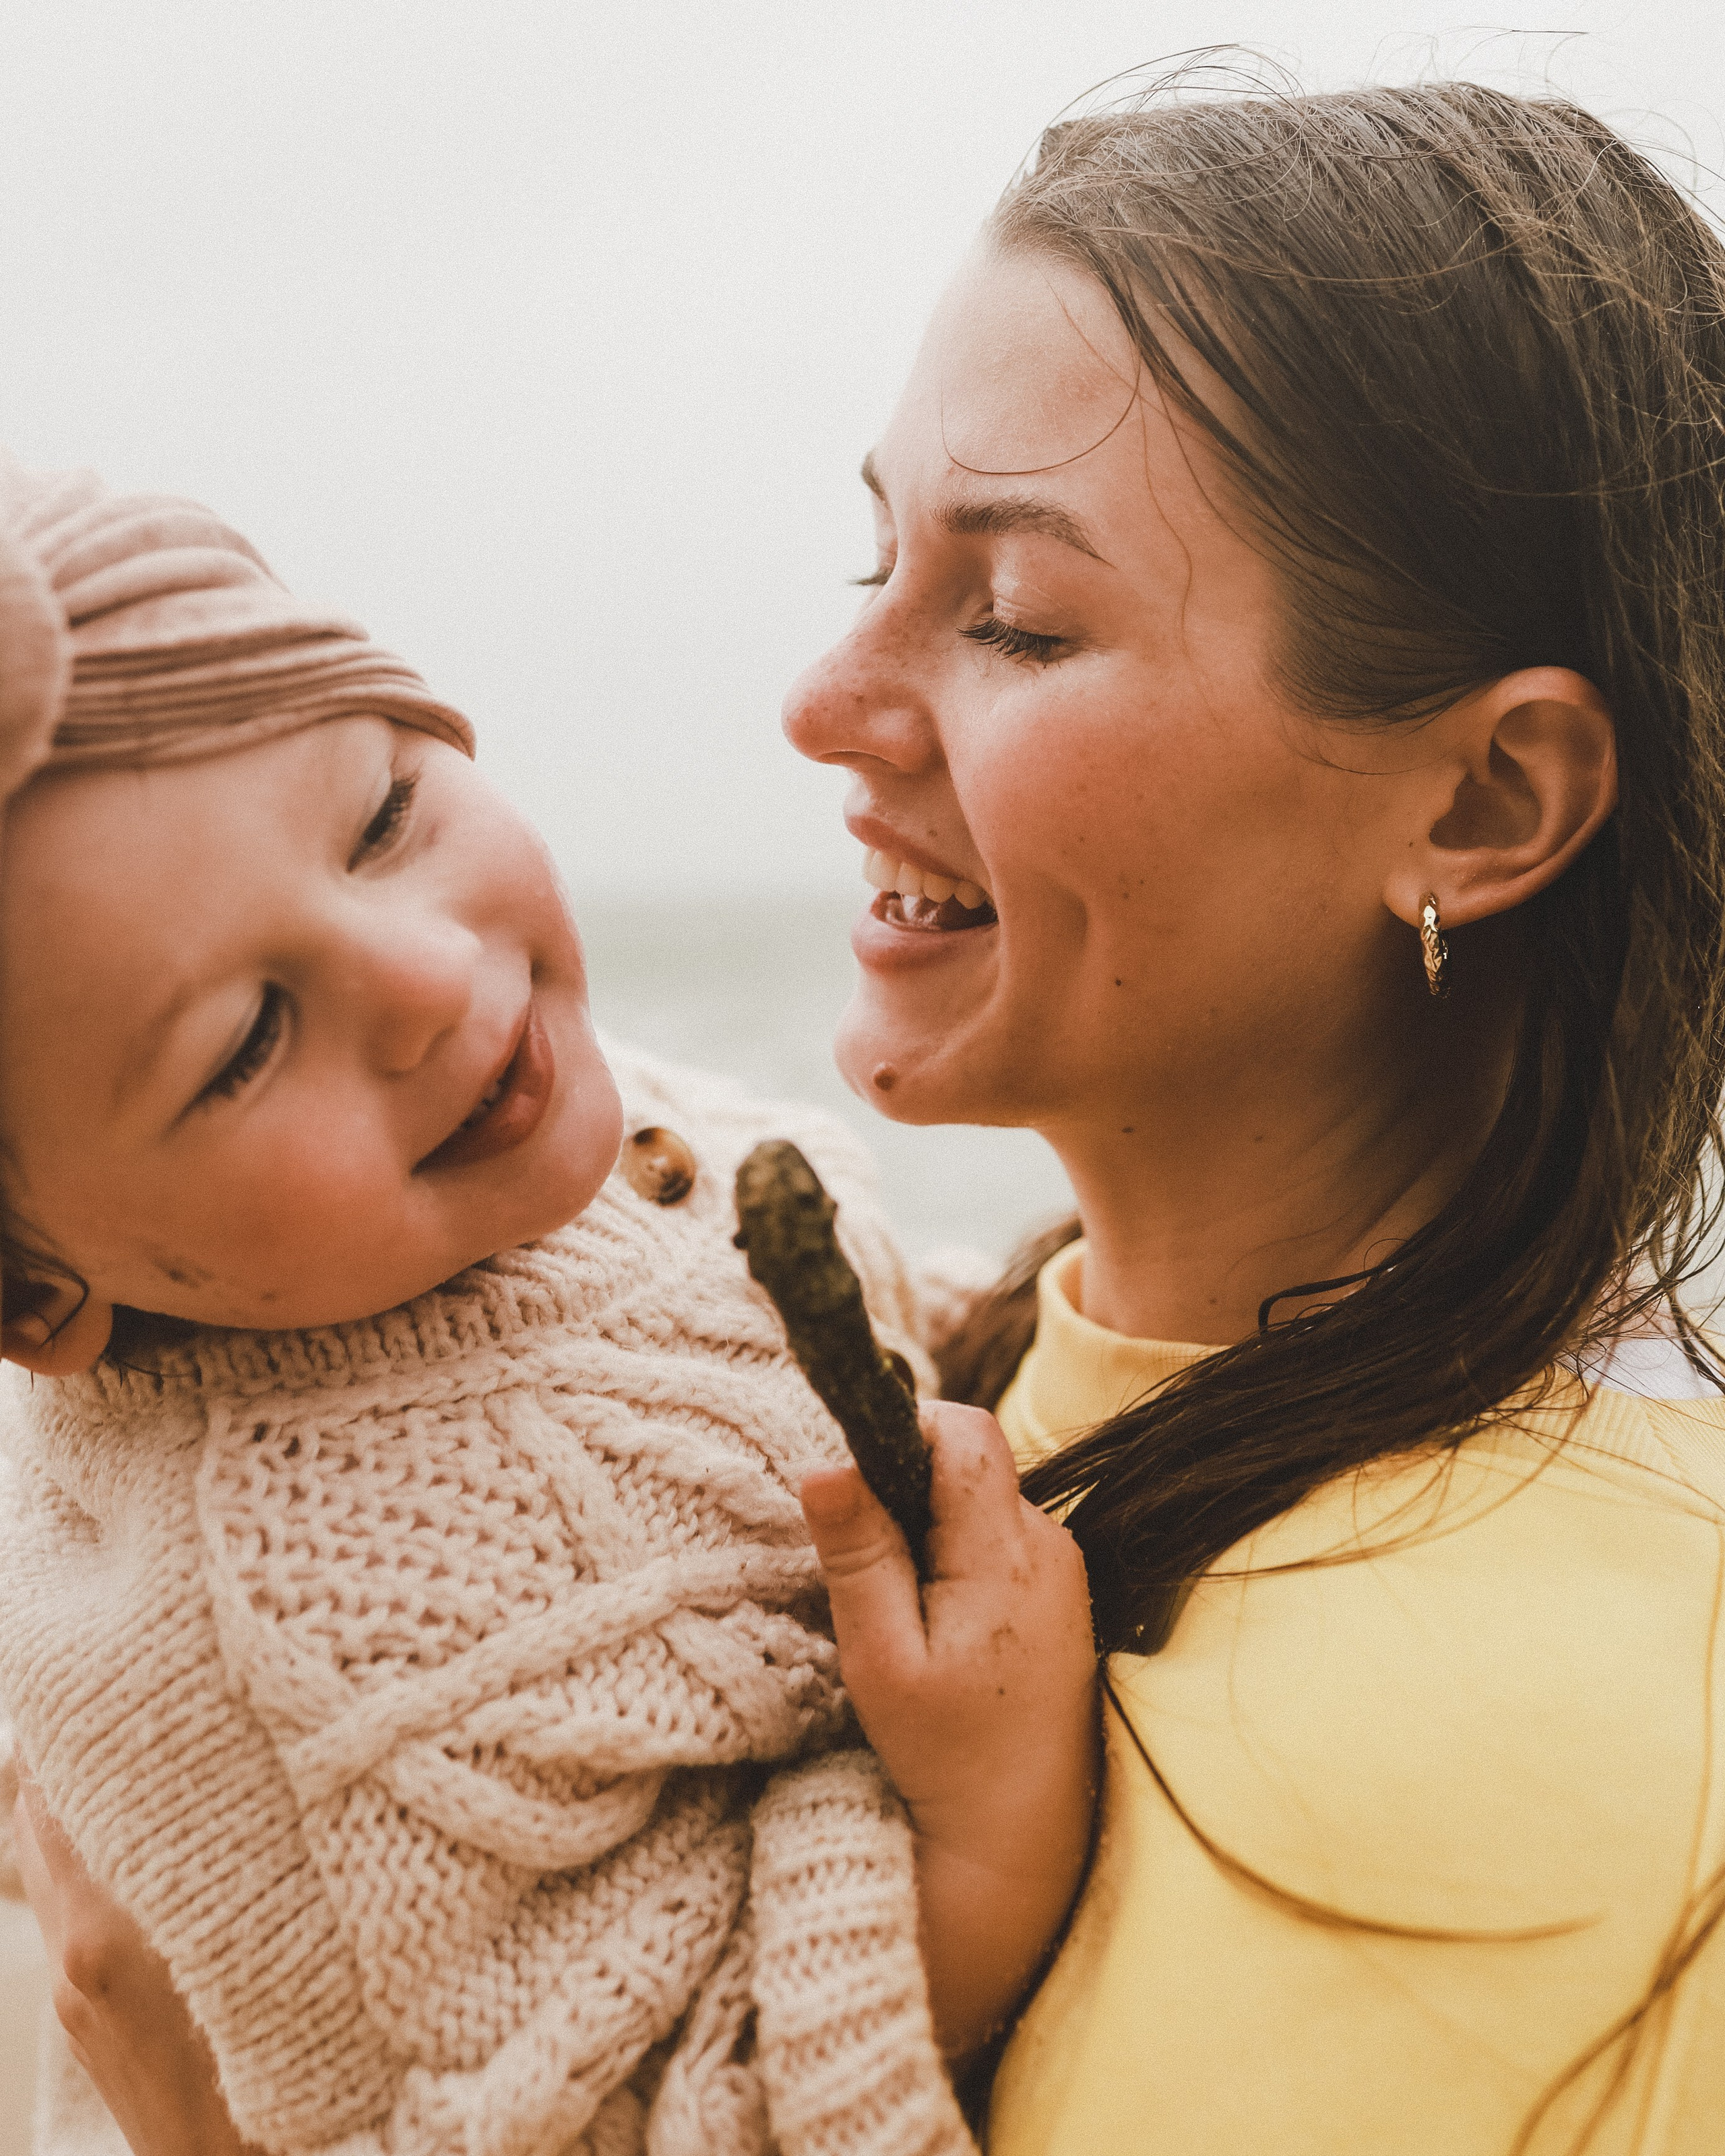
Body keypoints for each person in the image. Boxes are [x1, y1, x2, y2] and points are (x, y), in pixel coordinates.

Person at [780, 78, 1725, 2155]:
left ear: (1484, 804)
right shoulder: (909, 1403)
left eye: (1014, 614)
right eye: (877, 554)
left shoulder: (1614, 1755)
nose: (826, 697)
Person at [0, 459, 1095, 2156]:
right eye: (242, 1044)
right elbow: (652, 2112)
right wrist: (986, 1832)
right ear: (41, 1299)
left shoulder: (488, 1154)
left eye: (380, 819)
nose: (428, 972)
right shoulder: (308, 1658)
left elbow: (735, 1341)